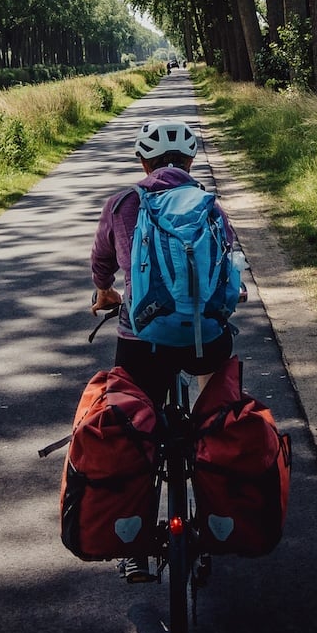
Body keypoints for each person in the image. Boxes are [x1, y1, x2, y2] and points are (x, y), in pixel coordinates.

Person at [88, 116, 248, 581]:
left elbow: (101, 261)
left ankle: (134, 544)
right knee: (215, 416)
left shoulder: (121, 204)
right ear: (191, 160)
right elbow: (230, 259)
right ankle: (217, 522)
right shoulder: (208, 206)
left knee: (134, 428)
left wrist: (104, 293)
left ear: (143, 161)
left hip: (142, 341)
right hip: (205, 338)